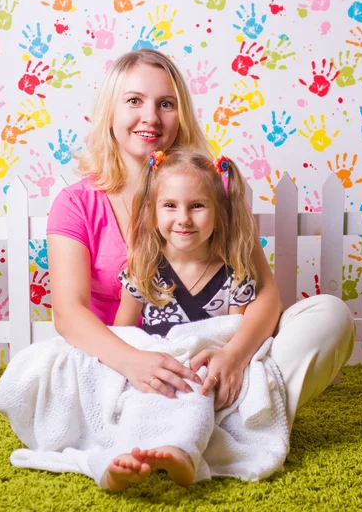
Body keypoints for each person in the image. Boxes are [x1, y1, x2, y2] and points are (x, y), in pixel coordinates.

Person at [44, 49, 353, 476]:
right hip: (124, 365)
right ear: (110, 112)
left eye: (165, 104)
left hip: (216, 366)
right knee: (48, 365)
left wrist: (233, 356)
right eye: (134, 101)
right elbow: (69, 314)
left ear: (181, 114)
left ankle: (220, 423)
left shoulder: (215, 191)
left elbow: (264, 295)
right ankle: (201, 435)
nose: (150, 116)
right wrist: (134, 362)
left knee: (330, 315)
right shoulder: (75, 204)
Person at [107, 148, 259, 489]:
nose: (184, 219)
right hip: (156, 369)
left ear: (219, 212)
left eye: (198, 206)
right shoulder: (143, 272)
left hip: (201, 375)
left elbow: (234, 334)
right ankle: (121, 457)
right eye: (170, 206)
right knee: (138, 400)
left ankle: (182, 451)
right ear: (153, 211)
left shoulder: (234, 275)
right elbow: (123, 333)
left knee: (197, 396)